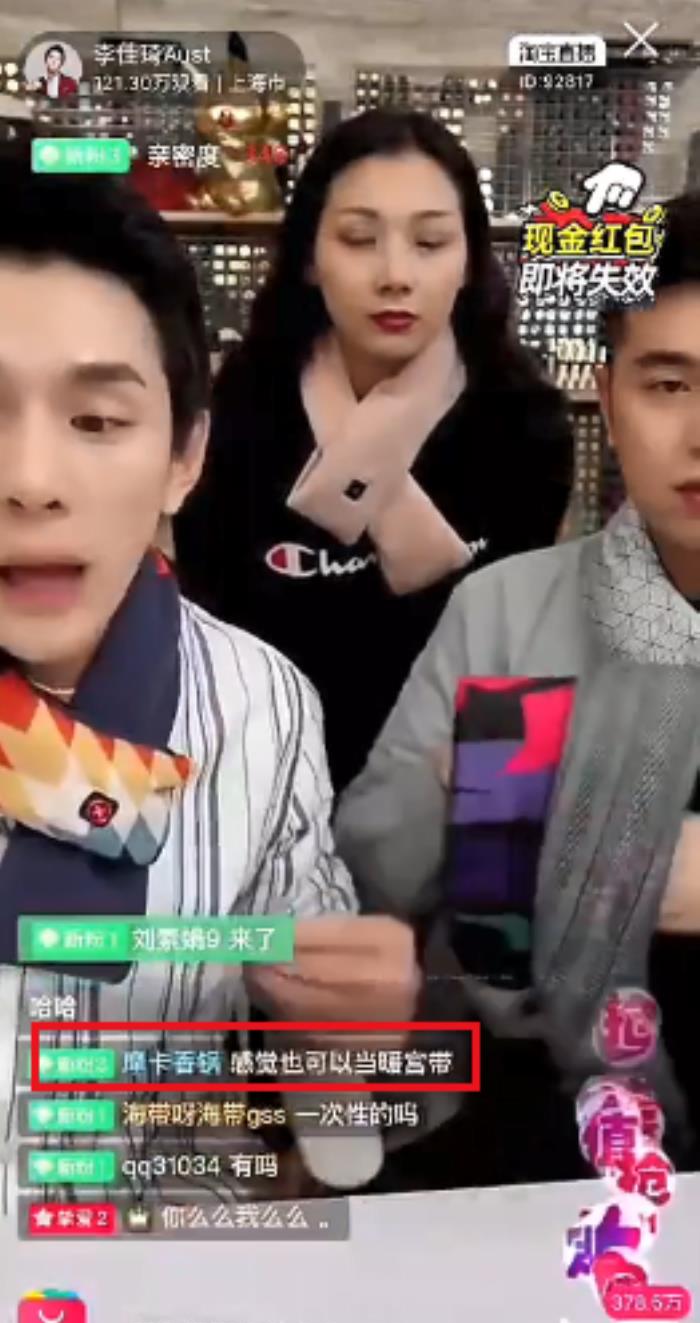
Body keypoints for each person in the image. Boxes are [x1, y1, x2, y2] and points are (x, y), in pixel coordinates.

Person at [0, 151, 418, 1218]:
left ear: (184, 455)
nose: (32, 483)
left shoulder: (260, 706)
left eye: (97, 421)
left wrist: (343, 1047)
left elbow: (328, 1126)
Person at [336, 192, 700, 1183]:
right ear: (608, 397)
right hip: (532, 1121)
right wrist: (461, 799)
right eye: (669, 384)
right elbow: (366, 878)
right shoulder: (505, 609)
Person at [175, 109, 574, 792]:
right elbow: (207, 647)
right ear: (310, 257)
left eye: (430, 242)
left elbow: (519, 673)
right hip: (258, 788)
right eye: (360, 239)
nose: (395, 275)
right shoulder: (237, 416)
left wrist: (490, 842)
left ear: (469, 260)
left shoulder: (524, 427)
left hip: (448, 803)